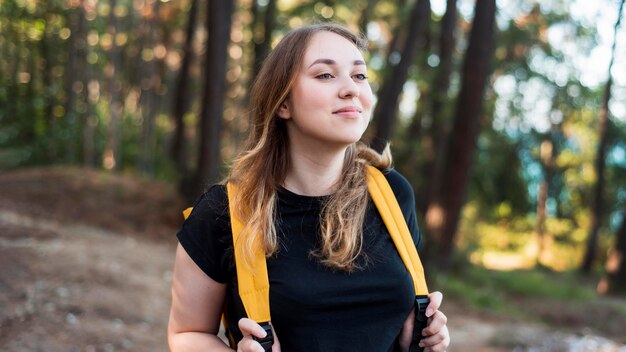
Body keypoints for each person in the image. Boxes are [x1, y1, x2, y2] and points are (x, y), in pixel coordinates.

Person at [167, 23, 450, 352]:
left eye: (359, 76)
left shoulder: (393, 193)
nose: (350, 89)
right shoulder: (224, 213)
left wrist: (427, 339)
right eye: (326, 75)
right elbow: (186, 334)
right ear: (283, 103)